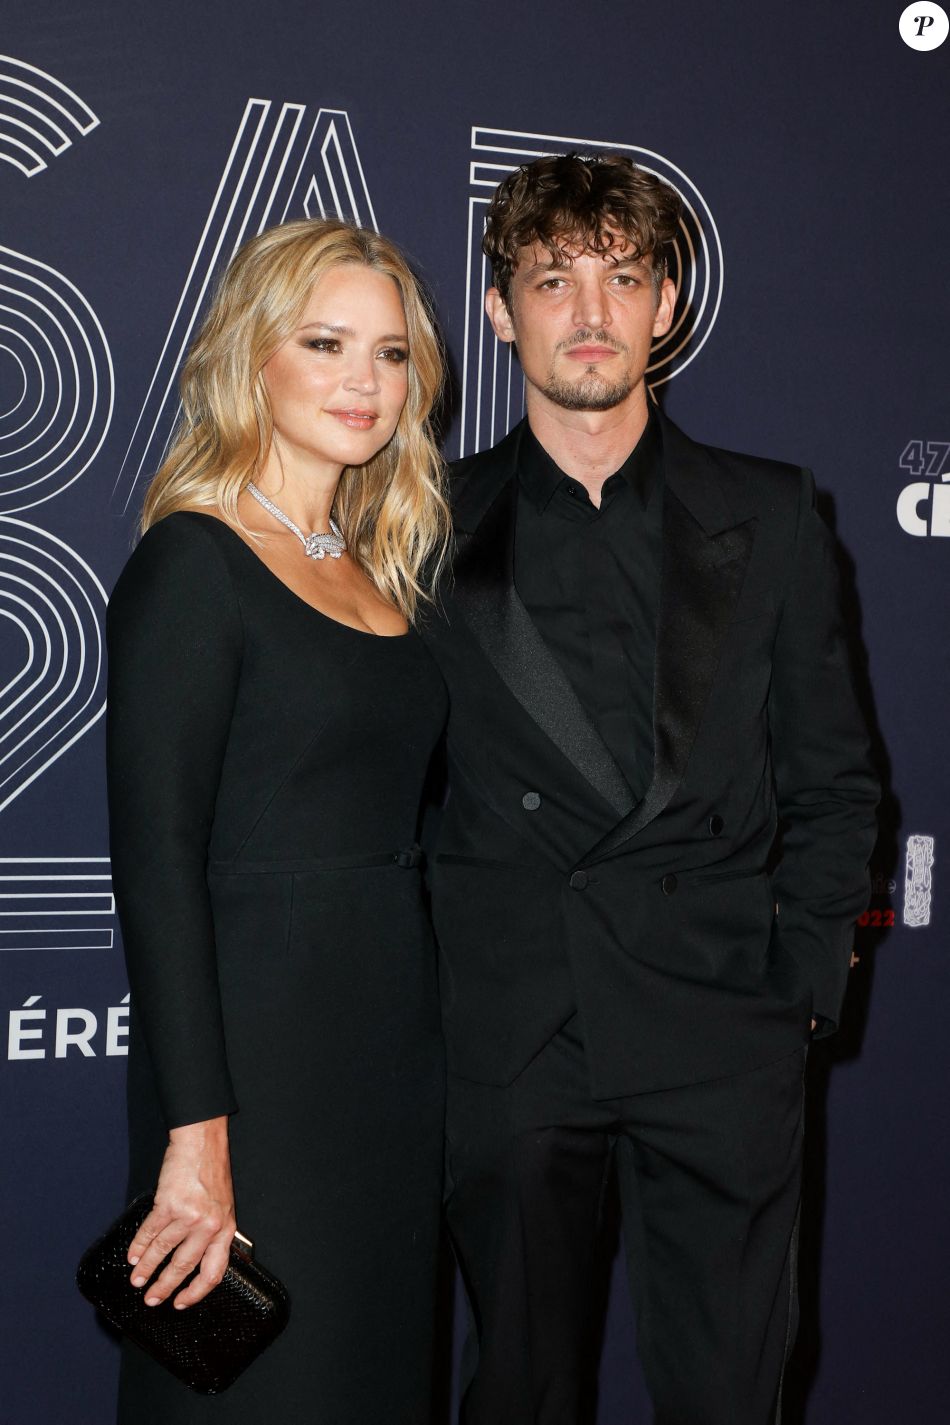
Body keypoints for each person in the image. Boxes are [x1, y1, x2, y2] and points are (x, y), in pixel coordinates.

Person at [422, 153, 879, 1425]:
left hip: (718, 1024)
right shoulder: (422, 522)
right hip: (518, 1034)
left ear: (665, 303)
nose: (589, 312)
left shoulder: (772, 512)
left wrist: (797, 992)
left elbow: (836, 780)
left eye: (622, 277)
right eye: (552, 279)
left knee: (732, 1394)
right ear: (502, 311)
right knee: (517, 1392)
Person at [106, 217, 450, 1424]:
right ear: (256, 357)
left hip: (393, 1066)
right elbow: (155, 861)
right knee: (259, 1388)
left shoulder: (380, 570)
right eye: (326, 342)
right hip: (255, 1077)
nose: (364, 381)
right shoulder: (192, 562)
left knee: (373, 1380)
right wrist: (195, 1136)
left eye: (391, 353)